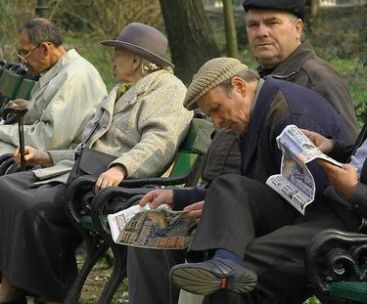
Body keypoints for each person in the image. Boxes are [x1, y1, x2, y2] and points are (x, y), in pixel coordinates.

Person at [129, 57, 352, 304]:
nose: (216, 122)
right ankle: (222, 262)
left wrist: (226, 214)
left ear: (239, 86)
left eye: (216, 109)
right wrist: (179, 197)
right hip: (290, 213)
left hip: (323, 223)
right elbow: (251, 187)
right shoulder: (259, 109)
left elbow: (309, 197)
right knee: (155, 242)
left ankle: (220, 262)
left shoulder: (290, 112)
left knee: (228, 276)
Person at [0, 22, 193, 304]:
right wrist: (48, 157)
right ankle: (12, 283)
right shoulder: (123, 89)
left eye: (118, 54)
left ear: (136, 59)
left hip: (114, 183)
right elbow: (89, 148)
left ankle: (51, 292)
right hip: (83, 171)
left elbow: (159, 142)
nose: (113, 61)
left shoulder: (168, 90)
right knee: (4, 187)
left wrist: (121, 168)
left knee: (31, 207)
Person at [201, 0, 359, 184]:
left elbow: (352, 157)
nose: (261, 32)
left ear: (297, 28)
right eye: (253, 25)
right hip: (226, 197)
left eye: (272, 23)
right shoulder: (255, 82)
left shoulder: (318, 80)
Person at [0, 18, 107, 155]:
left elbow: (48, 141)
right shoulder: (63, 70)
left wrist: (2, 131)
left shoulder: (74, 76)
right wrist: (31, 107)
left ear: (45, 49)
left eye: (25, 52)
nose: (22, 60)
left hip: (63, 160)